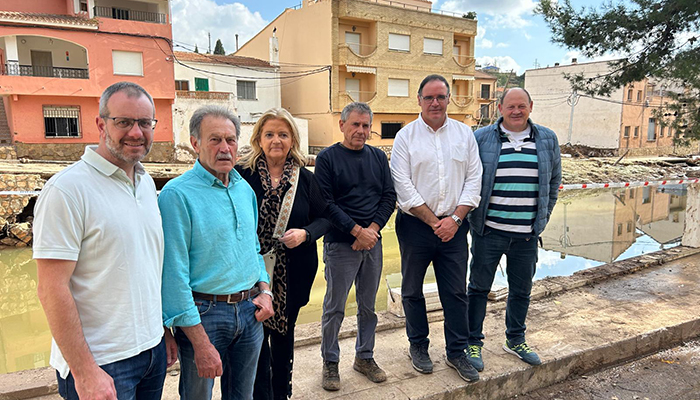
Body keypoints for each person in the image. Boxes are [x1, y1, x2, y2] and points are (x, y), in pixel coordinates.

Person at [33, 81, 176, 400]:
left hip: (151, 352)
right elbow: (51, 289)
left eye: (145, 122)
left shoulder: (145, 183)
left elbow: (146, 265)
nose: (136, 132)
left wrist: (162, 329)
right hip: (101, 363)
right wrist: (85, 372)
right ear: (101, 124)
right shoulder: (66, 190)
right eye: (123, 122)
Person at [159, 105, 274, 400]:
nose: (225, 148)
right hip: (204, 314)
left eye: (230, 140)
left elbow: (253, 249)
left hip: (249, 311)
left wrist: (265, 291)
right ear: (195, 143)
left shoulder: (244, 189)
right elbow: (173, 274)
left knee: (243, 396)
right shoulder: (176, 195)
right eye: (215, 140)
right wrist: (199, 341)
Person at [390, 74, 483, 383]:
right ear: (418, 100)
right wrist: (434, 222)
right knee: (412, 290)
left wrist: (454, 220)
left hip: (455, 227)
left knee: (455, 292)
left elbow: (474, 179)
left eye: (440, 97)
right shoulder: (405, 137)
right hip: (415, 226)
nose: (435, 102)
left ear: (448, 100)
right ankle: (418, 346)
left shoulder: (464, 134)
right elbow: (402, 185)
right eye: (429, 97)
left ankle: (457, 352)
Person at [235, 108, 330, 400]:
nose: (276, 140)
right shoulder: (242, 175)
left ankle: (281, 391)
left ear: (292, 140)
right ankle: (260, 393)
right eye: (270, 134)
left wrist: (306, 234)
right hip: (251, 272)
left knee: (284, 334)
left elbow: (325, 217)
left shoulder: (306, 179)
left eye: (283, 134)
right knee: (255, 336)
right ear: (259, 139)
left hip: (294, 272)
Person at [466, 87, 561, 371]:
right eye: (510, 106)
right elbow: (469, 179)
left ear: (531, 106)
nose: (516, 111)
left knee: (521, 290)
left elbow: (554, 182)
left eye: (521, 106)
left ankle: (515, 339)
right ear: (500, 108)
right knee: (478, 289)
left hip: (527, 236)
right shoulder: (481, 138)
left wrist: (542, 219)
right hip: (488, 232)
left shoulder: (547, 139)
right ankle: (472, 342)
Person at [314, 102, 397, 391]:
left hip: (372, 242)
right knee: (334, 307)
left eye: (365, 126)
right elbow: (325, 204)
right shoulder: (327, 158)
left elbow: (389, 196)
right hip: (340, 244)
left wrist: (372, 230)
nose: (361, 131)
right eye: (355, 125)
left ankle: (364, 356)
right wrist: (356, 231)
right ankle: (330, 362)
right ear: (342, 125)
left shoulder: (378, 157)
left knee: (368, 306)